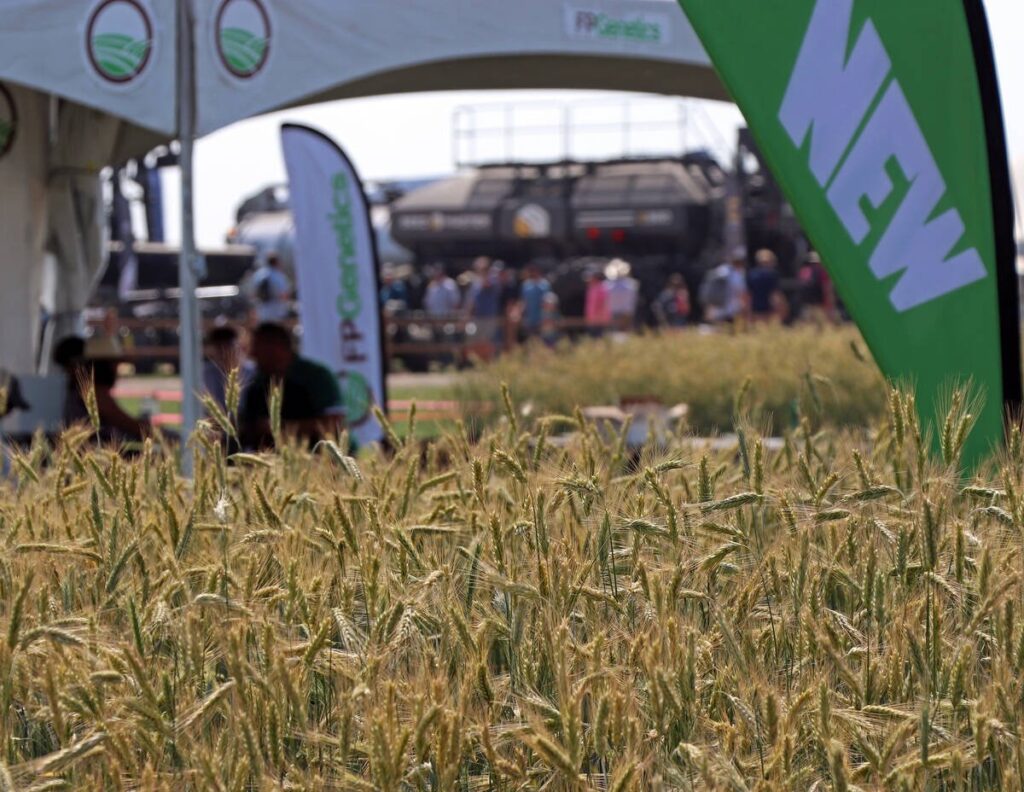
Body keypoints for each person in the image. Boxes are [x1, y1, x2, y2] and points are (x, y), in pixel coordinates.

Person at [239, 323, 345, 449]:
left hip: (323, 461)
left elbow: (333, 424)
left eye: (256, 347)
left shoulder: (317, 376)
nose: (252, 354)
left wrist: (280, 428)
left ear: (276, 347)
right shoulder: (256, 384)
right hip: (275, 464)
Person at [54, 335, 152, 444]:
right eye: (114, 363)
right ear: (104, 366)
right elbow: (129, 424)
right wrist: (162, 434)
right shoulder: (95, 393)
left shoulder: (80, 391)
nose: (117, 369)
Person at [202, 325, 253, 412]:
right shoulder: (206, 373)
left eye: (228, 344)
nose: (223, 351)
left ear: (239, 346)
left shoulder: (251, 371)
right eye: (218, 346)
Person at [700, 247, 749, 325]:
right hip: (730, 307)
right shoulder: (738, 274)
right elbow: (740, 291)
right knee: (728, 326)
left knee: (718, 325)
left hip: (718, 305)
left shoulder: (722, 269)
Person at [249, 253, 292, 323]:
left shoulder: (258, 275)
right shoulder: (279, 276)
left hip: (262, 311)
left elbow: (253, 294)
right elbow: (284, 294)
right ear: (277, 262)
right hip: (277, 311)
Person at [799, 251, 837, 326]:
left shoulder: (803, 271)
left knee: (808, 327)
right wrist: (830, 306)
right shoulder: (822, 271)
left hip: (805, 305)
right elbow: (827, 288)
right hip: (820, 305)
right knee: (822, 327)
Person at [747, 249, 785, 323]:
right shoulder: (772, 274)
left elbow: (748, 294)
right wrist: (781, 307)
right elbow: (775, 294)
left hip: (755, 308)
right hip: (769, 309)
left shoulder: (751, 274)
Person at [604, 259, 639, 331]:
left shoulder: (607, 286)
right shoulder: (632, 285)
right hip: (626, 313)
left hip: (614, 312)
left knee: (614, 333)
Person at [519, 264, 551, 338]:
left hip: (542, 317)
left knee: (543, 338)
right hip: (529, 317)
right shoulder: (526, 285)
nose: (534, 273)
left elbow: (548, 301)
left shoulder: (545, 284)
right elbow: (523, 300)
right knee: (530, 337)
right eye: (532, 271)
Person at [584, 268, 611, 335]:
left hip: (599, 320)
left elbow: (603, 304)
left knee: (599, 337)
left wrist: (598, 318)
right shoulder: (592, 288)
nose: (589, 280)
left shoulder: (602, 288)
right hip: (592, 319)